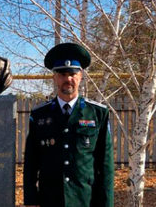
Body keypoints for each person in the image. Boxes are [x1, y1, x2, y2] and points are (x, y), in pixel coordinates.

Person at [23, 43, 114, 207]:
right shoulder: (39, 115)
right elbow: (31, 162)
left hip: (85, 200)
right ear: (54, 77)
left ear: (80, 76)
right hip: (50, 200)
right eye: (62, 74)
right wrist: (30, 200)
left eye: (72, 74)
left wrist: (106, 203)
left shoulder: (98, 113)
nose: (68, 79)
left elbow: (105, 166)